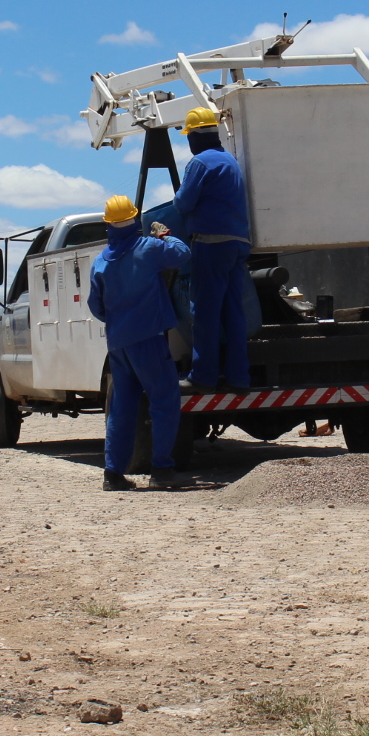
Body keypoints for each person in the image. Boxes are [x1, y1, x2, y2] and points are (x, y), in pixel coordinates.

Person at [88, 195, 193, 491]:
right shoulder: (149, 248)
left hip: (119, 344)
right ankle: (161, 469)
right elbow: (182, 254)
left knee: (122, 407)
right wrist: (165, 235)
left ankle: (113, 473)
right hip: (148, 339)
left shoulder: (100, 263)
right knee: (164, 401)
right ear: (135, 220)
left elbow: (96, 308)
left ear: (108, 224)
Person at [172, 107, 252, 390]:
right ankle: (239, 377)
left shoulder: (200, 164)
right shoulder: (230, 161)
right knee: (233, 312)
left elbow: (182, 203)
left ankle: (203, 376)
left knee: (205, 311)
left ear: (194, 136)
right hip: (238, 242)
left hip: (211, 243)